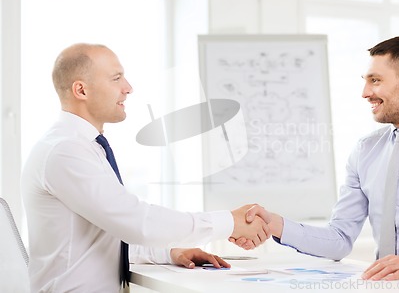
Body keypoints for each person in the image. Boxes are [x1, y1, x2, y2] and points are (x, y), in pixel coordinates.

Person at [233, 36, 399, 281]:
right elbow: (339, 239)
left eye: (375, 80)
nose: (364, 92)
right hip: (387, 287)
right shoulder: (365, 150)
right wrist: (276, 225)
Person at [21, 43, 270, 292]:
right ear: (81, 90)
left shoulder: (84, 146)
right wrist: (229, 222)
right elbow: (137, 222)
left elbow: (109, 234)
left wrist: (170, 252)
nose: (128, 88)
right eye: (116, 78)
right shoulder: (66, 151)